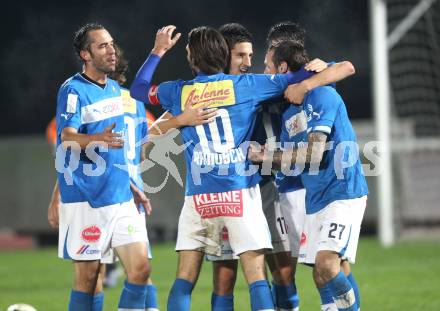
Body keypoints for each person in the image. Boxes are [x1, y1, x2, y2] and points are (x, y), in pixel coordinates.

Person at [130, 25, 316, 311]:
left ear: (192, 57)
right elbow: (302, 75)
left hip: (199, 198)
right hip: (239, 193)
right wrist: (317, 68)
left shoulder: (178, 92)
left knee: (184, 279)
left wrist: (158, 51)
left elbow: (139, 89)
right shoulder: (247, 85)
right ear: (223, 55)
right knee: (256, 276)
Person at [249, 41, 368, 311]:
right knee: (322, 271)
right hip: (315, 197)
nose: (264, 71)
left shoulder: (322, 92)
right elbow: (297, 156)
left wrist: (265, 157)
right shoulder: (288, 105)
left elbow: (313, 155)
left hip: (341, 192)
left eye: (268, 66)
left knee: (327, 265)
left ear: (281, 66)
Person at [55, 23, 152, 311]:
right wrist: (99, 139)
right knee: (88, 278)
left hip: (120, 195)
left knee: (141, 270)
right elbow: (67, 139)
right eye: (102, 46)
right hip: (86, 199)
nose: (111, 50)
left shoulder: (115, 90)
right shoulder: (73, 90)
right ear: (85, 54)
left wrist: (131, 184)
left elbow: (117, 153)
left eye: (111, 43)